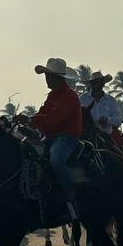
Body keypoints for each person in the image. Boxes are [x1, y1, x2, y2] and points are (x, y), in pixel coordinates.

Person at [31, 57, 84, 219]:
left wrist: (33, 120)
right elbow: (43, 114)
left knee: (56, 160)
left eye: (49, 76)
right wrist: (30, 120)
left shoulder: (70, 96)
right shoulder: (52, 96)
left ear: (59, 78)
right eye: (46, 76)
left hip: (66, 139)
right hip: (51, 137)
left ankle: (71, 198)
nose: (47, 79)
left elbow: (55, 119)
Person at [80, 72, 123, 138]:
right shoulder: (83, 98)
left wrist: (107, 120)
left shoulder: (111, 101)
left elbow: (118, 121)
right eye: (93, 83)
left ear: (103, 84)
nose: (95, 85)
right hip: (86, 135)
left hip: (105, 136)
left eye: (97, 83)